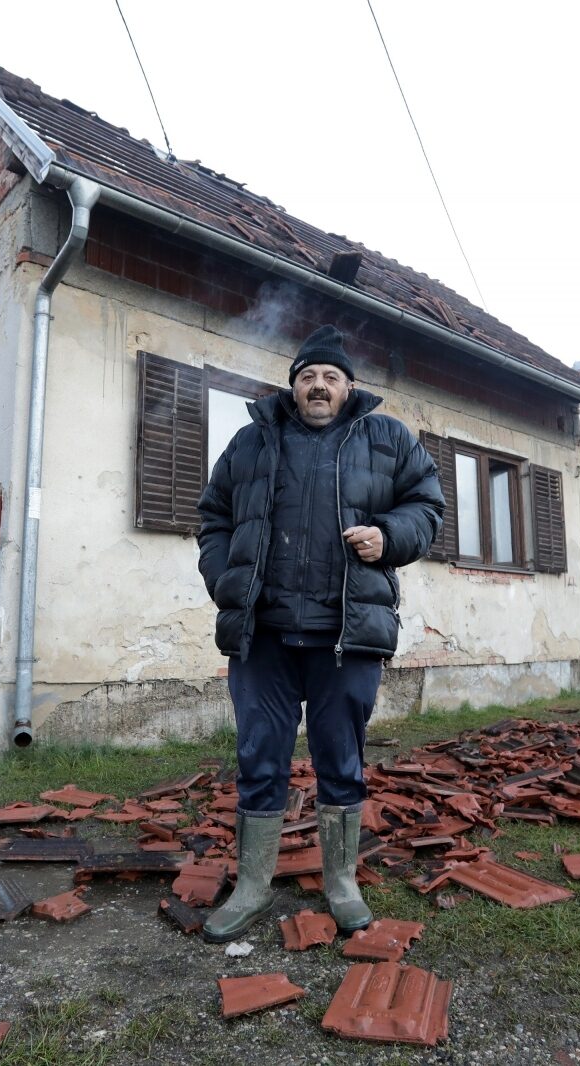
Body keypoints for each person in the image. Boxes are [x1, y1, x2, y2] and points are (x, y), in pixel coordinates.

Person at [195, 324, 445, 943]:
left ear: (349, 387)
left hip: (346, 635)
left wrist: (388, 536)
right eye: (308, 375)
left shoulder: (387, 439)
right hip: (266, 637)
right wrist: (225, 579)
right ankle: (253, 885)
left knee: (341, 759)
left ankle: (342, 883)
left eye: (330, 377)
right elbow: (214, 518)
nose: (318, 386)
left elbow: (428, 507)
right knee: (258, 758)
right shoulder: (252, 442)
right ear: (293, 385)